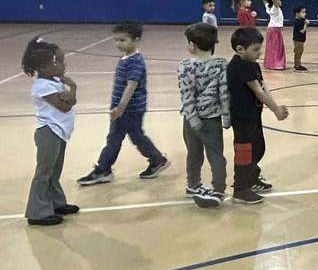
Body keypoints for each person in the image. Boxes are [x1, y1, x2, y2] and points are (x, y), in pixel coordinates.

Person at [78, 22, 170, 186]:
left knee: (131, 137)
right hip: (121, 109)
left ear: (136, 40)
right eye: (116, 40)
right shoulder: (126, 59)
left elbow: (131, 86)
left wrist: (120, 108)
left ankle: (155, 160)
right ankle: (105, 169)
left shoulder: (135, 61)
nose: (118, 44)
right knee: (119, 138)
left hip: (130, 109)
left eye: (123, 40)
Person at [227, 27, 289, 204]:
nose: (259, 53)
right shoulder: (240, 66)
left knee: (258, 148)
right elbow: (258, 92)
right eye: (255, 49)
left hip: (253, 116)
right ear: (240, 49)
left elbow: (263, 87)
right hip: (242, 117)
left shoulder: (252, 64)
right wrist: (276, 110)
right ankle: (240, 189)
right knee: (245, 152)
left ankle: (251, 178)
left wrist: (274, 105)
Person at [22, 37, 78, 226]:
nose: (64, 65)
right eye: (60, 61)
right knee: (44, 172)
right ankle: (37, 212)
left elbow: (70, 101)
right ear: (45, 67)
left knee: (55, 171)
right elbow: (64, 107)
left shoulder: (54, 80)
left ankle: (56, 203)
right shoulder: (42, 86)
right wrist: (71, 91)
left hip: (59, 132)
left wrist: (72, 91)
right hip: (48, 133)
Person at [178, 23, 230, 209]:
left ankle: (193, 184)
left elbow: (187, 94)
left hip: (190, 120)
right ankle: (218, 189)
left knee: (193, 153)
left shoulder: (185, 66)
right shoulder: (221, 65)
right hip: (212, 118)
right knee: (216, 155)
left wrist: (192, 119)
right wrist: (226, 116)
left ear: (192, 45)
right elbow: (224, 93)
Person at [263, 0, 286, 70]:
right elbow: (275, 0)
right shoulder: (275, 8)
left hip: (272, 29)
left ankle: (271, 63)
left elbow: (265, 1)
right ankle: (276, 64)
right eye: (279, 0)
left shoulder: (269, 8)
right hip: (274, 29)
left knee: (272, 47)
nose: (280, 1)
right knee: (277, 47)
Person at [293, 6, 309, 72]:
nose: (304, 14)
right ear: (297, 13)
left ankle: (298, 64)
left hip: (301, 40)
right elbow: (302, 31)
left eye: (305, 12)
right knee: (298, 52)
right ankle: (297, 65)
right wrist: (306, 24)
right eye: (303, 12)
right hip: (297, 40)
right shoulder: (297, 21)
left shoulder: (301, 20)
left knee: (300, 52)